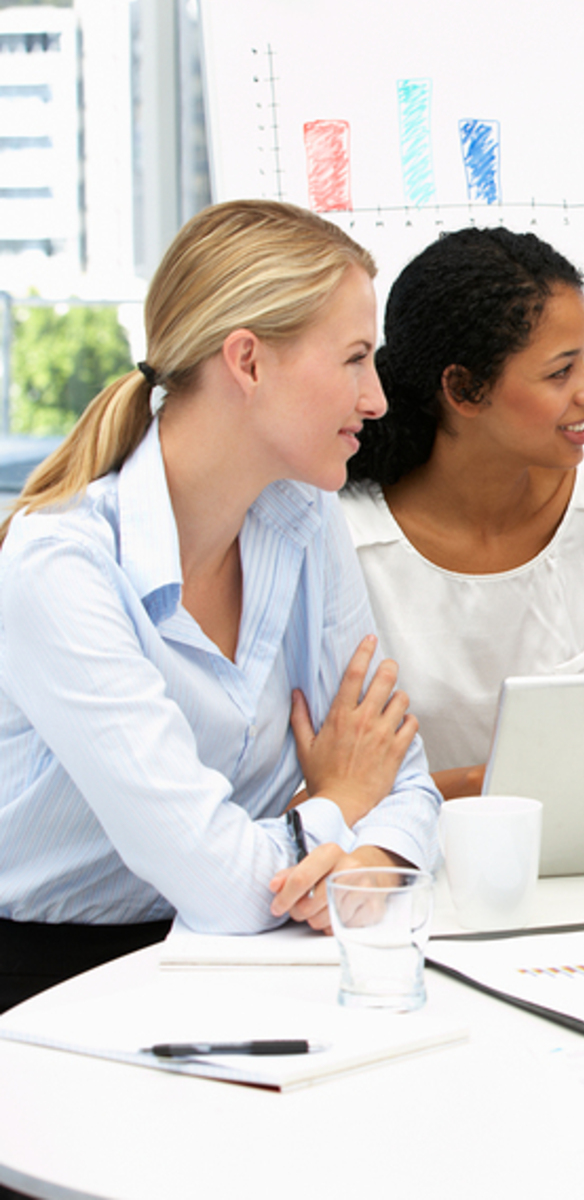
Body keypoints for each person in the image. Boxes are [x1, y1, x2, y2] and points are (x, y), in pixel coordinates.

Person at [0, 200, 440, 1013]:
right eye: (352, 359)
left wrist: (362, 853)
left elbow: (407, 786)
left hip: (264, 957)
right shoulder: (59, 566)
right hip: (53, 982)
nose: (375, 399)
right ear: (247, 361)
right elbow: (218, 880)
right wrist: (337, 804)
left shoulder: (307, 522)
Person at [343, 228, 584, 800]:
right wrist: (491, 785)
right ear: (464, 389)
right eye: (560, 371)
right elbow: (322, 791)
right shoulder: (346, 539)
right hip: (410, 873)